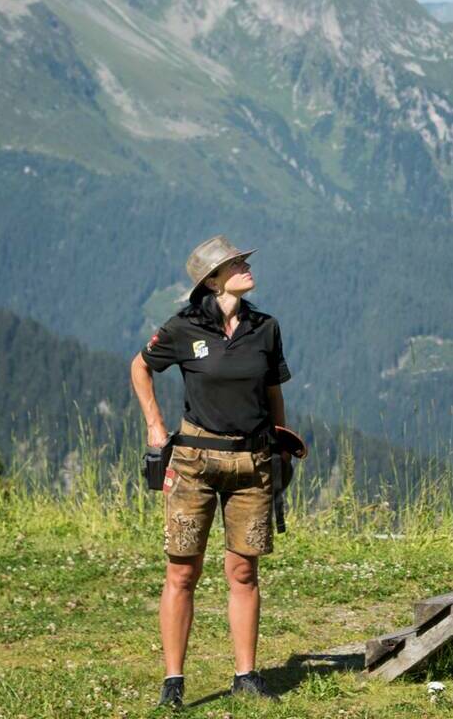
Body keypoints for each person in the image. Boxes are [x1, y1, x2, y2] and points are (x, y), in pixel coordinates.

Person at [129, 236, 292, 709]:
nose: (245, 267)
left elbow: (273, 391)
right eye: (235, 263)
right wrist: (155, 426)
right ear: (213, 280)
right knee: (182, 571)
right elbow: (140, 367)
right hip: (194, 464)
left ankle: (246, 675)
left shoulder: (266, 327)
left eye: (242, 260)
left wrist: (281, 442)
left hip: (253, 462)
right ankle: (173, 682)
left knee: (244, 570)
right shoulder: (182, 328)